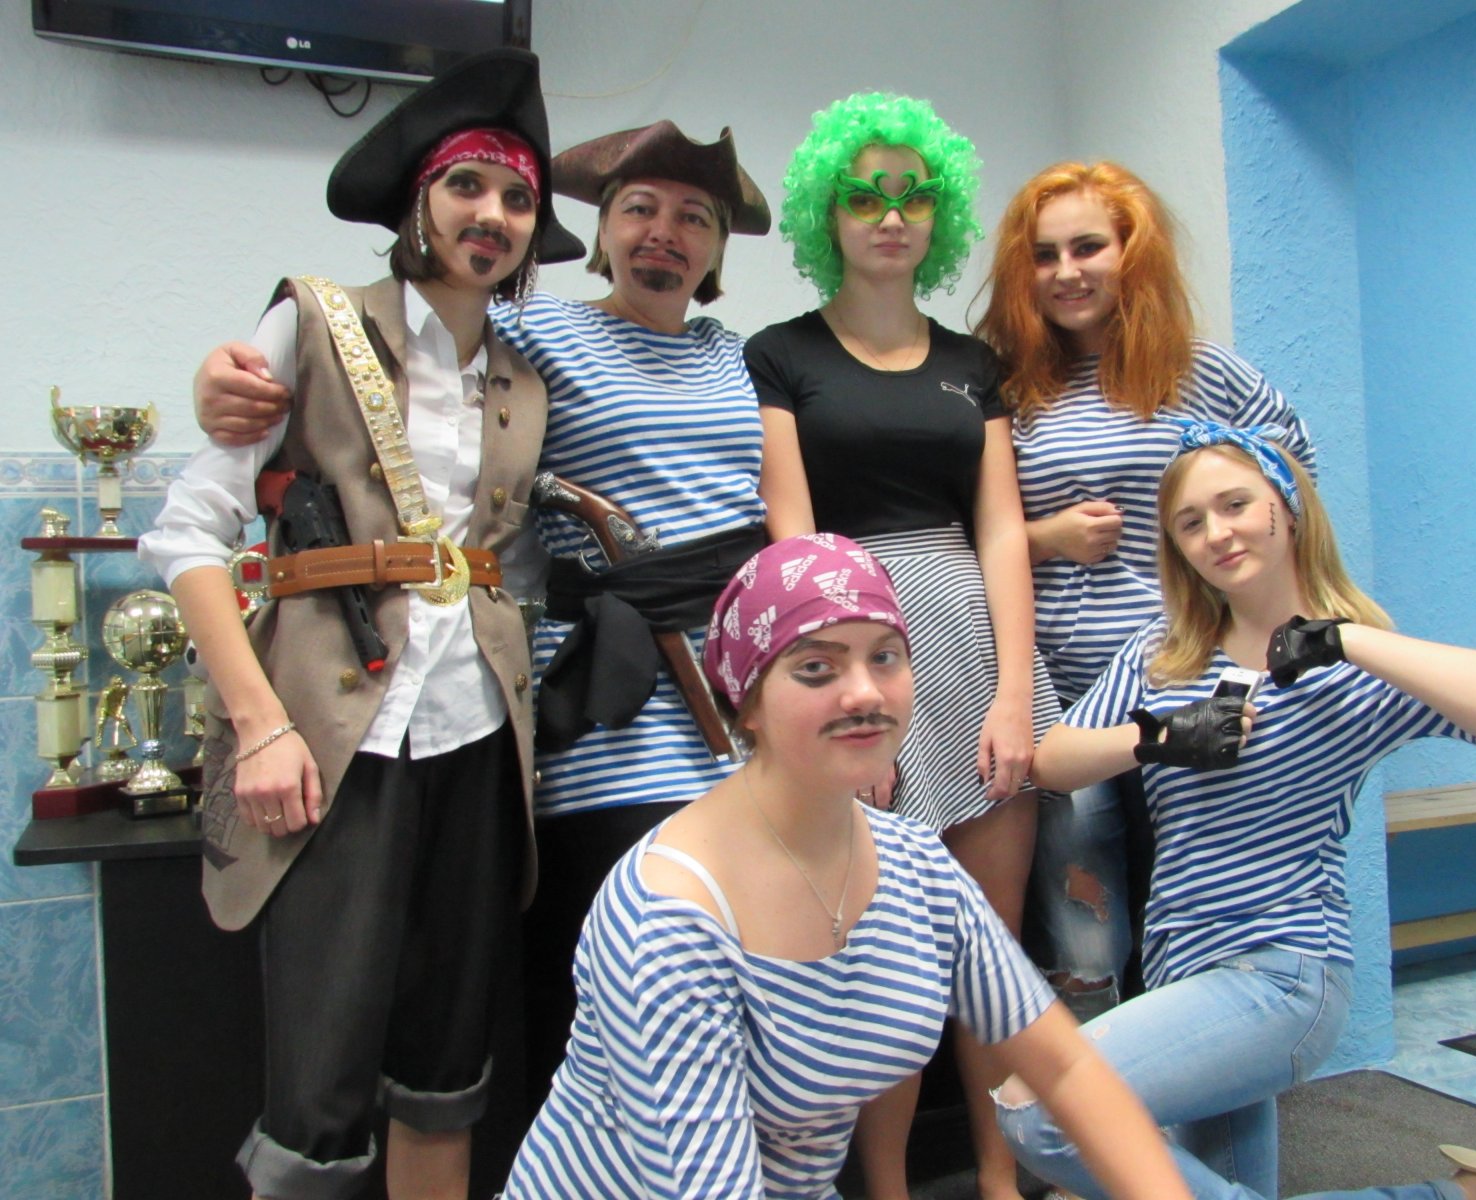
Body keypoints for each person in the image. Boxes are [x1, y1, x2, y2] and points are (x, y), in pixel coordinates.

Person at [189, 119, 773, 1113]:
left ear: (719, 250)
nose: (664, 233)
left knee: (738, 973)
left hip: (708, 700)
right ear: (599, 232)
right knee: (601, 988)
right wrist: (221, 378)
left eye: (695, 218)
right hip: (595, 699)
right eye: (639, 208)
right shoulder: (532, 336)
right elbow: (399, 345)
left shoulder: (740, 358)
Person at [139, 49, 583, 1200]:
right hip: (334, 744)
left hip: (480, 744)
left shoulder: (526, 381)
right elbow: (189, 534)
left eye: (518, 196)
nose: (493, 214)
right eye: (467, 184)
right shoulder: (312, 324)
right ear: (416, 205)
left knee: (447, 1066)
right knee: (321, 1083)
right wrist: (261, 725)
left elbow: (509, 561)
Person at [503, 533, 1193, 1200]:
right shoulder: (668, 922)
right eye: (816, 668)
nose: (865, 693)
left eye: (885, 657)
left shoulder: (915, 866)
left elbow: (1066, 1070)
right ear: (747, 701)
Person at [993, 421, 1476, 1200]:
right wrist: (1159, 738)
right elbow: (1054, 760)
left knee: (1041, 1110)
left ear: (1287, 509)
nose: (1216, 533)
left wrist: (1343, 640)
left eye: (1235, 505)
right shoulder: (1165, 653)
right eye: (1190, 523)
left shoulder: (1355, 673)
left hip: (1281, 972)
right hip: (1181, 969)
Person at [745, 92, 1060, 1200]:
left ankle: (999, 1177)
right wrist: (849, 705)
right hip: (854, 652)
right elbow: (792, 541)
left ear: (942, 215)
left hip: (970, 642)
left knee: (992, 949)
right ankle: (881, 1189)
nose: (890, 215)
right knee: (882, 959)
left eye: (913, 195)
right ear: (825, 213)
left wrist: (1013, 695)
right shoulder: (778, 354)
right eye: (865, 195)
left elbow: (1001, 530)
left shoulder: (977, 364)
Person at [973, 160, 1317, 1022]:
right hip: (1068, 703)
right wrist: (1048, 537)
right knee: (1084, 939)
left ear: (1134, 253)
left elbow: (1292, 492)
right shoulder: (1008, 388)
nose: (1067, 272)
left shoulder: (1206, 375)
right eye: (1044, 255)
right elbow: (969, 532)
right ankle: (1098, 1104)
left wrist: (1265, 635)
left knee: (1201, 925)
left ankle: (1197, 1085)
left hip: (1194, 689)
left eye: (1088, 247)